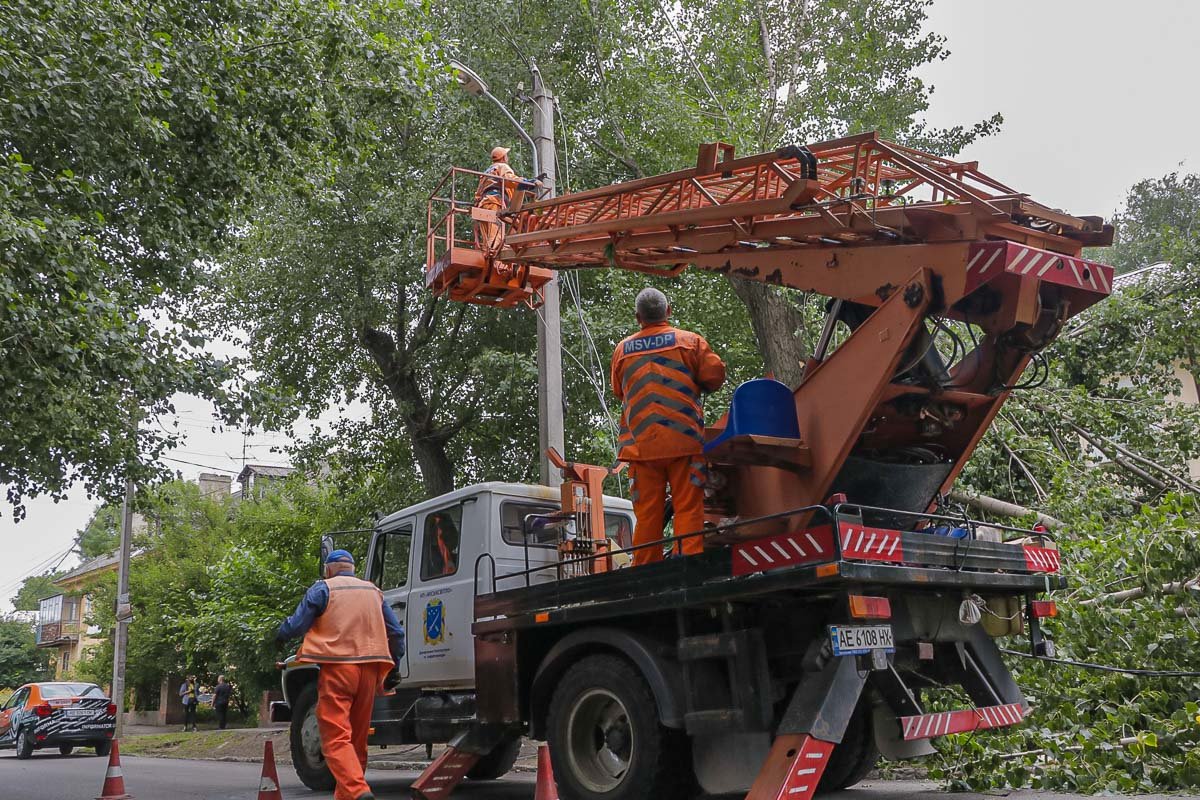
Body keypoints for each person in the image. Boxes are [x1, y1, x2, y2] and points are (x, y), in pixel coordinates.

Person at [611, 287, 726, 566]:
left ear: (638, 317)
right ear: (669, 311)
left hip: (641, 448)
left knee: (648, 514)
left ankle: (646, 574)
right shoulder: (690, 342)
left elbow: (618, 391)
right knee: (687, 508)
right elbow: (715, 376)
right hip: (683, 443)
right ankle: (687, 568)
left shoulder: (622, 350)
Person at [277, 550, 405, 800]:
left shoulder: (323, 589)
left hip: (338, 668)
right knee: (357, 738)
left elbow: (296, 625)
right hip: (370, 671)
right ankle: (348, 793)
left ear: (328, 569)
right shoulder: (373, 591)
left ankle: (357, 791)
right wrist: (394, 666)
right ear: (353, 569)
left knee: (335, 735)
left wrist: (279, 636)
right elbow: (397, 634)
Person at [473, 146, 540, 256]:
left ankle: (488, 253)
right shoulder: (502, 166)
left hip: (483, 204)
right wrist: (529, 183)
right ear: (504, 157)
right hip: (495, 202)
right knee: (495, 232)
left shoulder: (486, 172)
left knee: (488, 233)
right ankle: (493, 255)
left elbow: (478, 193)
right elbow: (511, 180)